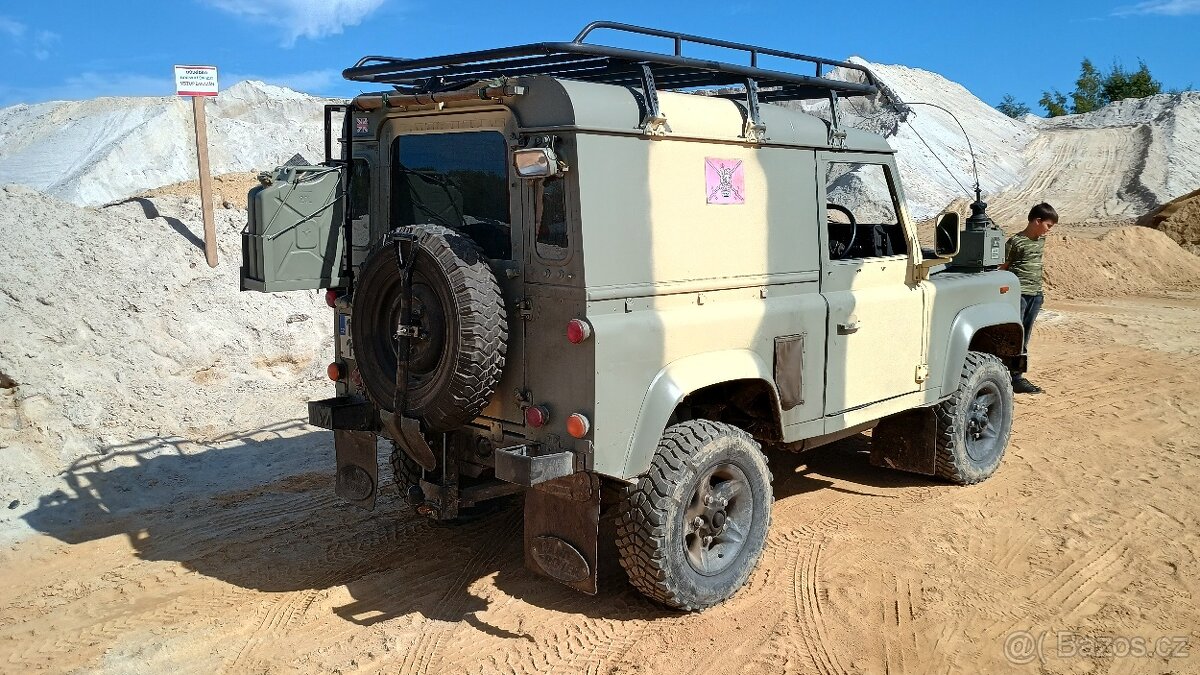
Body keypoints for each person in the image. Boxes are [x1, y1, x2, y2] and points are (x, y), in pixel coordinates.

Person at [1000, 202, 1057, 394]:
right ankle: (1007, 375)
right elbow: (1002, 267)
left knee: (1024, 337)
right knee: (1014, 336)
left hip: (1035, 295)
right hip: (1019, 295)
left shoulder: (1040, 241)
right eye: (1048, 225)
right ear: (1037, 221)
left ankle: (1016, 377)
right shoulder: (1015, 242)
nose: (1049, 230)